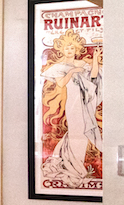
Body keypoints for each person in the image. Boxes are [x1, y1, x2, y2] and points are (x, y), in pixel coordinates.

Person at [39, 28, 102, 188]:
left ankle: (73, 164)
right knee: (76, 132)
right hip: (72, 104)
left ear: (76, 49)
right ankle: (74, 168)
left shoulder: (82, 64)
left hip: (84, 103)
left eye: (72, 47)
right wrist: (72, 71)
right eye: (67, 47)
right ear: (62, 49)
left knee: (82, 133)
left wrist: (95, 58)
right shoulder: (59, 67)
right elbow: (61, 84)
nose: (70, 50)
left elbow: (94, 76)